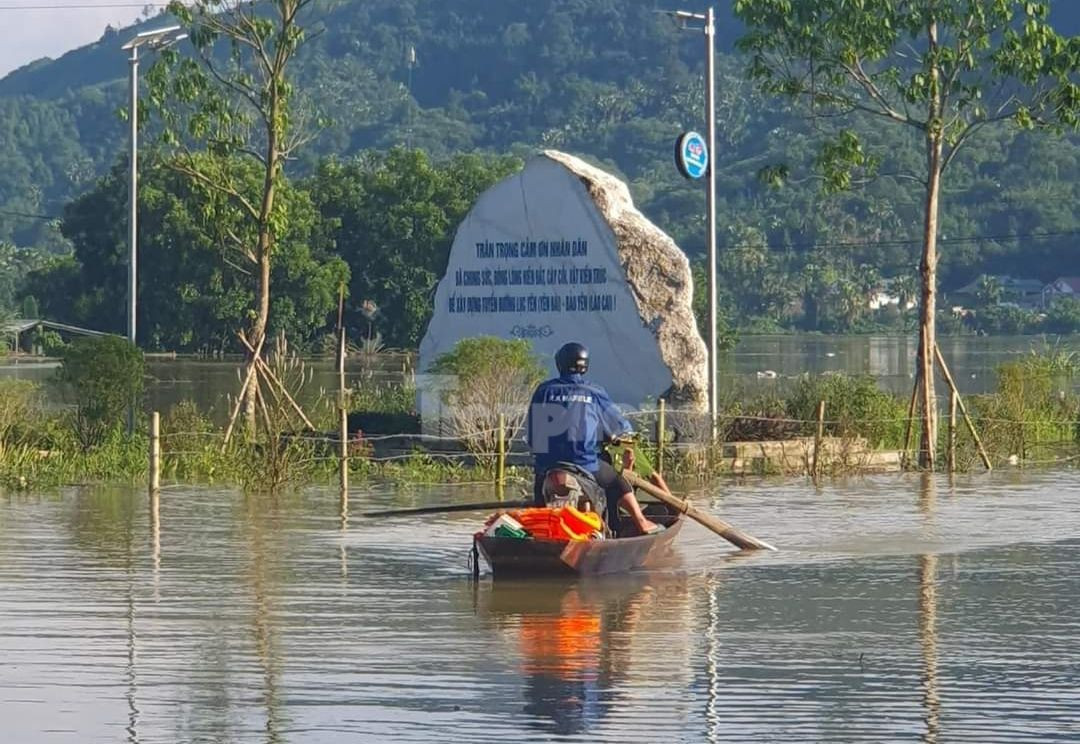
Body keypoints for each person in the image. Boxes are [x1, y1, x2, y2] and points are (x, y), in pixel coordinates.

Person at [526, 341, 661, 536]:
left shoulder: (544, 390)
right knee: (618, 482)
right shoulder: (594, 392)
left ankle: (538, 533)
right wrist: (617, 436)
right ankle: (641, 522)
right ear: (585, 365)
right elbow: (622, 428)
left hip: (548, 467)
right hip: (586, 464)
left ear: (559, 364)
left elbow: (532, 436)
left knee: (539, 493)